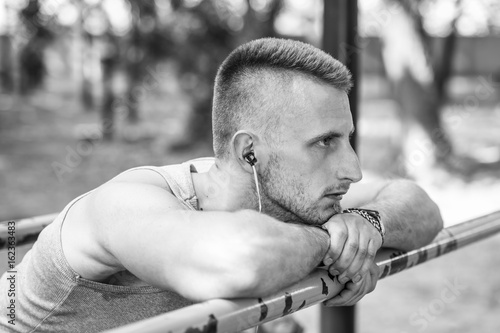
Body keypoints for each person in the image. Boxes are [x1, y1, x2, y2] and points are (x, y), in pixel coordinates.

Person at [0, 38, 443, 332]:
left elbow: (421, 206)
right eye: (325, 143)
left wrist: (369, 222)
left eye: (347, 139)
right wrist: (338, 244)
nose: (354, 169)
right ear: (249, 151)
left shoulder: (292, 194)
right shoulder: (124, 202)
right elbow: (240, 260)